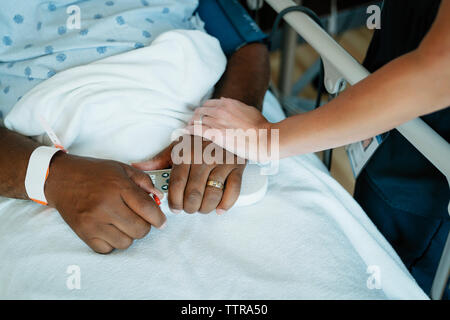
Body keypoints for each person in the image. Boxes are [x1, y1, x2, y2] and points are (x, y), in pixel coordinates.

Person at [189, 0, 450, 297]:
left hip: (429, 176)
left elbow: (440, 72)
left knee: (393, 277)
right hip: (392, 129)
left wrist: (268, 138)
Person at [0, 0, 269, 253]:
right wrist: (51, 175)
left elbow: (247, 46)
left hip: (191, 102)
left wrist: (226, 128)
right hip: (42, 139)